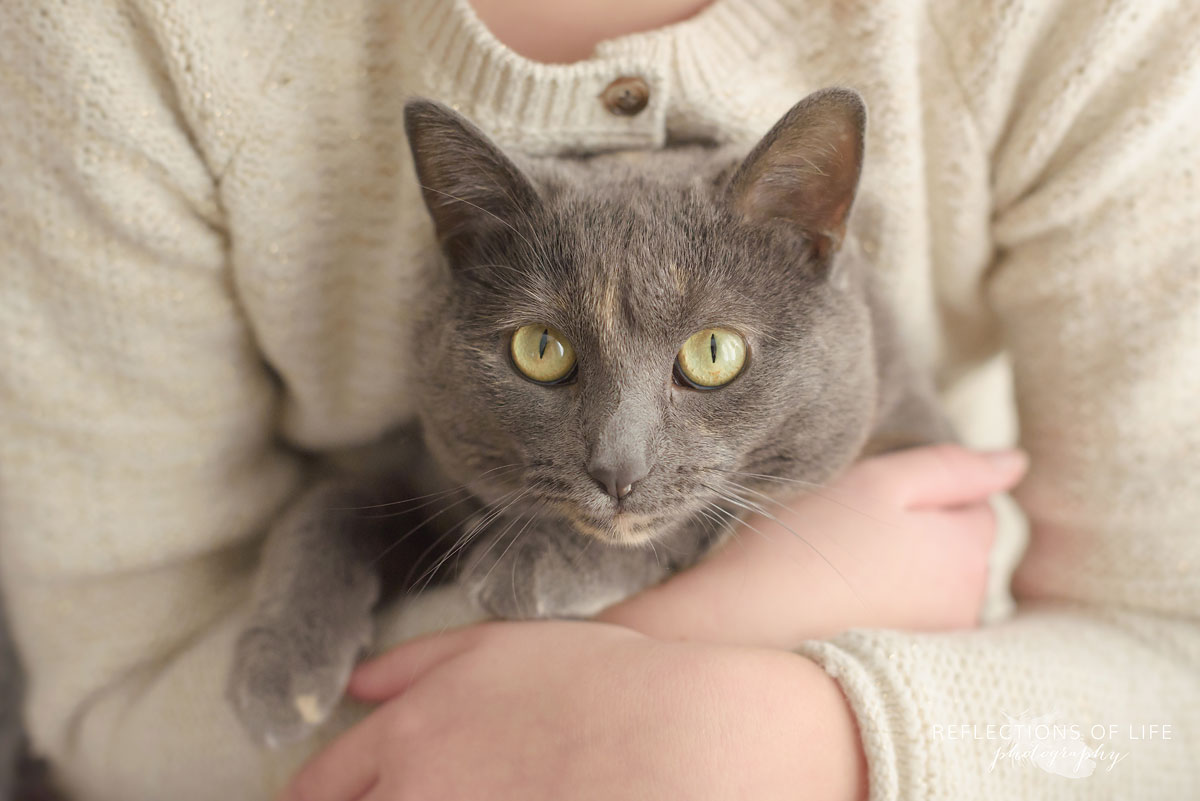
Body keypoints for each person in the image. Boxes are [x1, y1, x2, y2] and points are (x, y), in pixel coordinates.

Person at [1, 0, 1197, 799]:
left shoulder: (1091, 29)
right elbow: (126, 695)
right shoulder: (118, 36)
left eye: (711, 362)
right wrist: (700, 642)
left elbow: (1171, 692)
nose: (619, 466)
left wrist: (830, 737)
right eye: (546, 360)